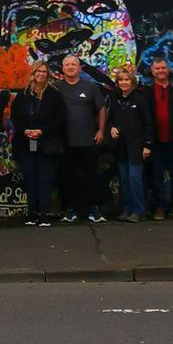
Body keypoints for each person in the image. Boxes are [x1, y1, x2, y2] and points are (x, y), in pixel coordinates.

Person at [10, 61, 65, 226]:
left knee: (45, 178)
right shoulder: (23, 94)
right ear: (33, 74)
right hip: (26, 143)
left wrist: (43, 131)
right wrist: (24, 130)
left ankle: (44, 213)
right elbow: (14, 117)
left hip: (47, 143)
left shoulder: (54, 95)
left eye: (44, 72)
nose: (41, 74)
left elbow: (60, 119)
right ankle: (32, 212)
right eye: (38, 71)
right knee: (30, 177)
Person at [56, 52, 107, 223]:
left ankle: (94, 209)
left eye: (73, 64)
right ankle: (70, 210)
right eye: (67, 64)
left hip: (89, 140)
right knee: (68, 177)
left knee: (91, 176)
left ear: (79, 67)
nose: (70, 67)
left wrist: (100, 130)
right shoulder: (56, 88)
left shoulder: (91, 87)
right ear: (62, 68)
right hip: (66, 141)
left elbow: (101, 109)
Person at [143, 57, 173, 220]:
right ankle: (159, 207)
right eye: (157, 68)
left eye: (163, 68)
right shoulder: (146, 91)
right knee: (156, 176)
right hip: (155, 142)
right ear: (152, 71)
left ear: (168, 70)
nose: (160, 71)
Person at [107, 65, 153, 223]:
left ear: (132, 81)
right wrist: (111, 127)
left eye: (127, 80)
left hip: (137, 146)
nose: (124, 83)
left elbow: (148, 123)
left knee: (135, 178)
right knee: (124, 179)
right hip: (121, 146)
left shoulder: (140, 98)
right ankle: (127, 208)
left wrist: (147, 145)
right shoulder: (115, 97)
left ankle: (139, 210)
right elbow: (110, 117)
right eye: (121, 80)